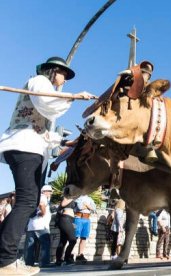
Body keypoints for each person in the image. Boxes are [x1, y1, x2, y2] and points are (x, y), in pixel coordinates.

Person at [0, 56, 93, 275]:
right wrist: (74, 96)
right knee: (27, 200)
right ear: (53, 70)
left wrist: (70, 142)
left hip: (31, 146)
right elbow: (49, 103)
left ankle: (4, 256)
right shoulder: (40, 82)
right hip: (25, 146)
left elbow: (47, 134)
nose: (65, 80)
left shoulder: (45, 88)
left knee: (29, 201)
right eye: (64, 75)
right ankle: (5, 261)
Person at [24, 184, 53, 267]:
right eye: (50, 191)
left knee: (30, 245)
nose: (51, 193)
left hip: (31, 225)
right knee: (45, 244)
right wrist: (43, 212)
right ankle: (44, 263)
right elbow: (41, 204)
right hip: (41, 225)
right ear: (44, 191)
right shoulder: (43, 197)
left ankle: (29, 263)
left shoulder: (34, 197)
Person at [73, 194, 96, 263]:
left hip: (86, 219)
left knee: (84, 237)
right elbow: (80, 207)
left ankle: (80, 255)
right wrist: (89, 207)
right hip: (78, 218)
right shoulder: (77, 198)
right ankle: (70, 254)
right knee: (75, 237)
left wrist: (86, 205)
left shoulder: (90, 198)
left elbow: (94, 208)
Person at [55, 196, 77, 266]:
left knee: (63, 240)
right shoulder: (67, 196)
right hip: (65, 219)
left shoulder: (72, 197)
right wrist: (72, 197)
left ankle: (59, 260)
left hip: (69, 219)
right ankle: (67, 259)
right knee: (73, 240)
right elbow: (63, 204)